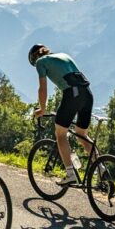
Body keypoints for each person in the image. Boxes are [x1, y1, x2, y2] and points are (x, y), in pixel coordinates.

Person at [29, 43, 92, 185]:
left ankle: (70, 174)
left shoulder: (40, 62)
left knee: (60, 134)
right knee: (82, 135)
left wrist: (42, 109)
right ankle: (101, 168)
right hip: (87, 94)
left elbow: (42, 89)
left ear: (34, 57)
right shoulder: (64, 55)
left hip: (72, 95)